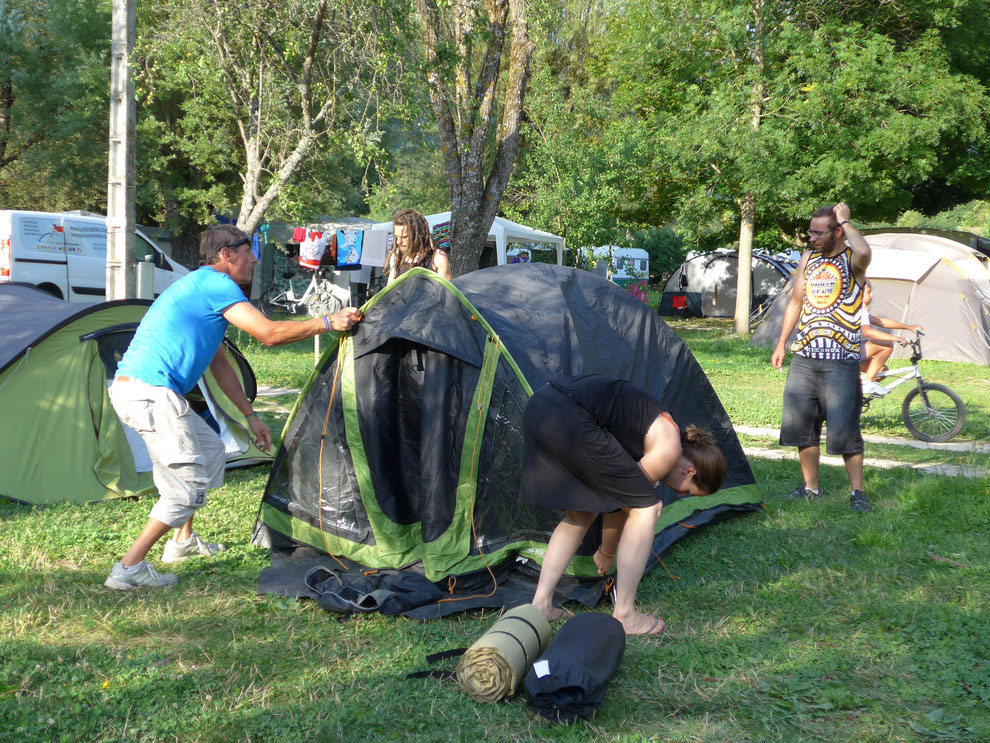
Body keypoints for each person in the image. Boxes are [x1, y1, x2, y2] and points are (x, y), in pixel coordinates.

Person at [104, 225, 363, 590]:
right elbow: (269, 334)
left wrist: (250, 415)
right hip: (151, 393)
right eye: (249, 251)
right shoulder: (216, 285)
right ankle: (129, 568)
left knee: (208, 452)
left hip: (144, 392)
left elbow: (219, 362)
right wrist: (326, 322)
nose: (255, 259)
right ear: (227, 254)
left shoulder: (201, 287)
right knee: (188, 484)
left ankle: (181, 541)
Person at [520, 374, 726, 635]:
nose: (678, 492)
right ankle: (626, 613)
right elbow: (625, 503)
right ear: (690, 472)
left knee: (581, 513)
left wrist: (607, 550)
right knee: (648, 508)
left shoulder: (659, 431)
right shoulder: (668, 448)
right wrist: (607, 551)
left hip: (541, 406)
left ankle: (541, 605)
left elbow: (615, 498)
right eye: (688, 491)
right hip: (570, 414)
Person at [771, 203, 872, 512]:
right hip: (805, 357)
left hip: (840, 359)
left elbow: (865, 252)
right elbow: (796, 302)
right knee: (803, 425)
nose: (810, 237)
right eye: (810, 231)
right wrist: (782, 343)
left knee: (845, 428)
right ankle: (810, 488)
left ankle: (857, 493)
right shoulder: (809, 259)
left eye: (818, 232)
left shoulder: (852, 260)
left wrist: (846, 219)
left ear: (838, 231)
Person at [859, 280, 923, 393]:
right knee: (886, 345)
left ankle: (854, 398)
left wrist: (909, 327)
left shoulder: (860, 310)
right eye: (869, 292)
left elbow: (881, 322)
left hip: (849, 352)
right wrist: (895, 338)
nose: (872, 294)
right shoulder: (859, 310)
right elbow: (867, 332)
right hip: (847, 352)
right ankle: (868, 382)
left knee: (882, 370)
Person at [384, 208, 452, 284]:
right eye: (396, 237)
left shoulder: (438, 258)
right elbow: (390, 292)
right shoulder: (396, 257)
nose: (398, 242)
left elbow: (447, 293)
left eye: (404, 237)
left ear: (418, 235)